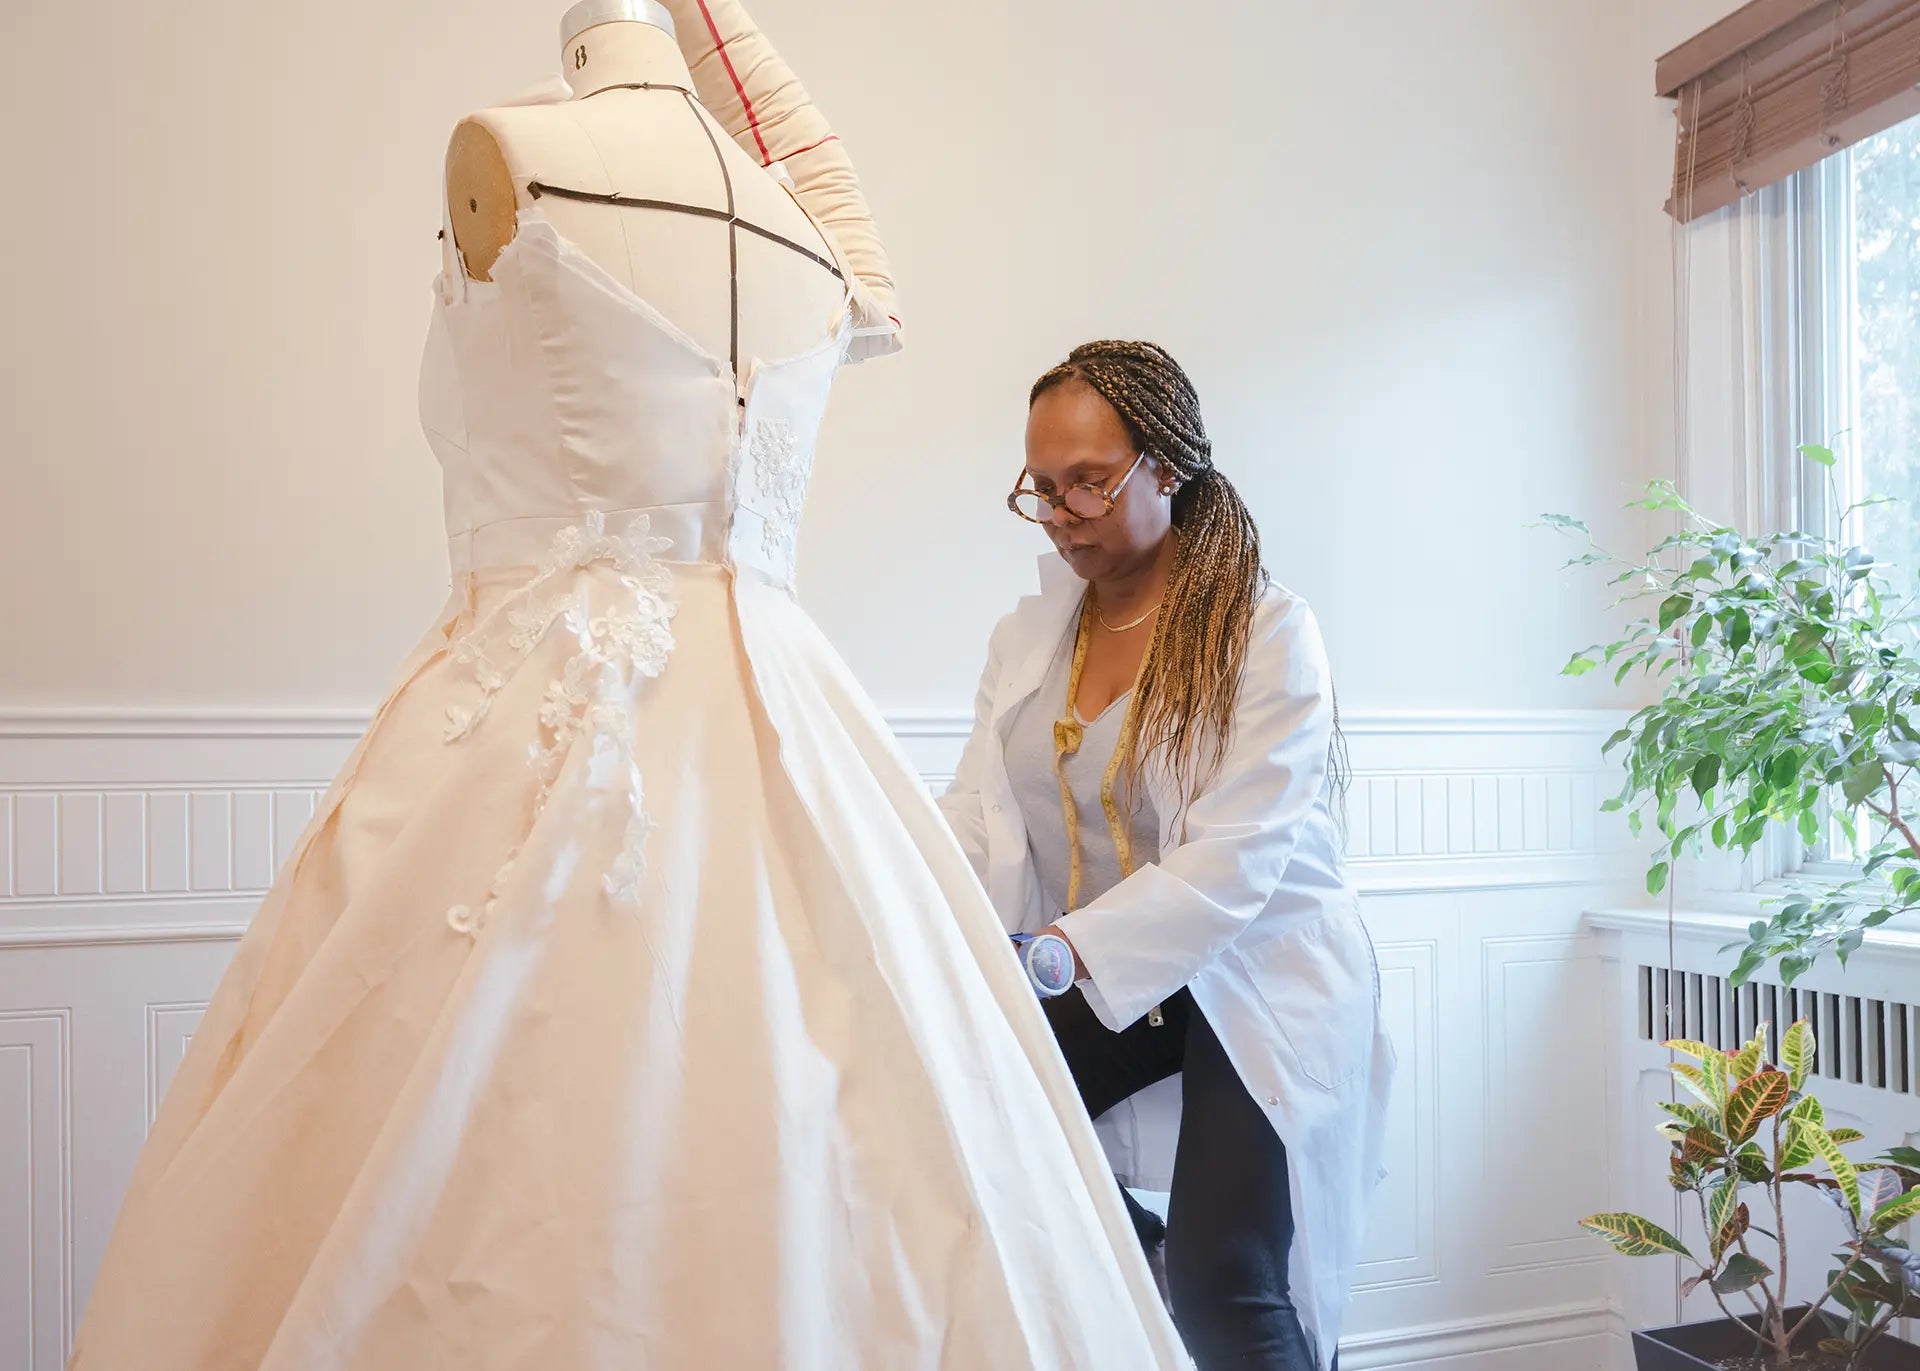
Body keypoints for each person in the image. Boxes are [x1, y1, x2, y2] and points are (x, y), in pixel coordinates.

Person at [65, 8, 1189, 1367]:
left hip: (547, 695)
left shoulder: (514, 154)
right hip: (770, 702)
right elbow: (849, 250)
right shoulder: (772, 219)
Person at [940, 339, 1395, 1371]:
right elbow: (979, 808)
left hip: (1253, 973)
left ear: (1168, 467)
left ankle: (1187, 1287)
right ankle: (1134, 1271)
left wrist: (1057, 952)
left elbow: (1232, 865)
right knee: (964, 1109)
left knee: (1223, 1277)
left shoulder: (1264, 633)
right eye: (1041, 488)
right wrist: (899, 876)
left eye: (1089, 483)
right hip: (1109, 964)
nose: (1062, 514)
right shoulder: (1029, 637)